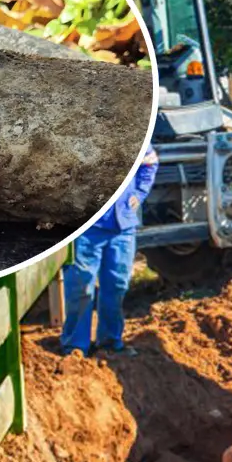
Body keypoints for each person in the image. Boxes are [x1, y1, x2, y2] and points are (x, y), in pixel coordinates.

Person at [59, 148, 159, 358]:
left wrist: (139, 192)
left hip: (122, 227)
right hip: (86, 228)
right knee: (81, 287)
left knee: (116, 285)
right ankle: (75, 347)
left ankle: (110, 342)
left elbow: (150, 162)